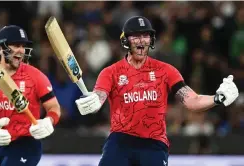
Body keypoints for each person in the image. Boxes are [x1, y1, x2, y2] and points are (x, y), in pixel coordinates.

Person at [75, 16, 239, 166]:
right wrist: (93, 102)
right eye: (136, 36)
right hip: (120, 141)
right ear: (125, 40)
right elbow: (99, 96)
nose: (141, 41)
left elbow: (192, 100)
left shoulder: (166, 71)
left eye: (145, 36)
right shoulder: (111, 72)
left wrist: (218, 98)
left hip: (153, 143)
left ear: (151, 39)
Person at [0, 25, 61, 166]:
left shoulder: (35, 75)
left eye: (23, 46)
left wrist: (49, 120)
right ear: (0, 48)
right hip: (0, 143)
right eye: (15, 45)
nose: (21, 50)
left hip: (27, 142)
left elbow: (54, 107)